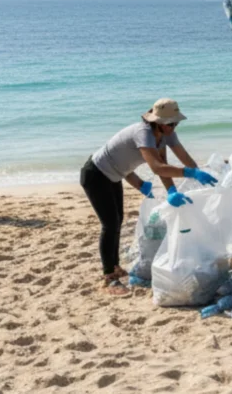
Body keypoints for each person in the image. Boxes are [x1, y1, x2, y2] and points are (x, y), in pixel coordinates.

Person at [81, 98, 218, 296]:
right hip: (96, 175)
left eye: (176, 123)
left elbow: (178, 158)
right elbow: (157, 167)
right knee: (109, 224)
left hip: (115, 175)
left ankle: (114, 266)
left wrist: (193, 178)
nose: (174, 127)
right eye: (171, 123)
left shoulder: (165, 134)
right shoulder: (143, 133)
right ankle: (109, 277)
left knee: (117, 221)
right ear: (158, 122)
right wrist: (189, 174)